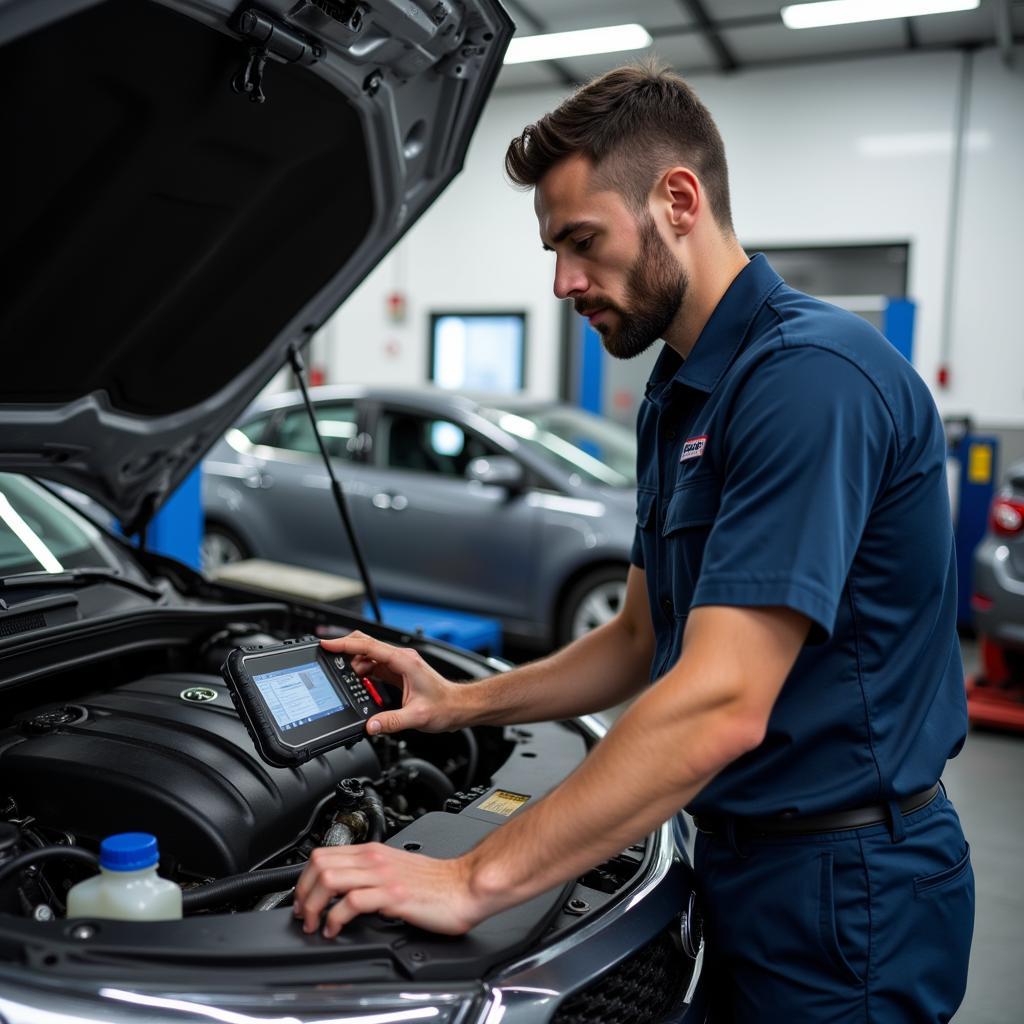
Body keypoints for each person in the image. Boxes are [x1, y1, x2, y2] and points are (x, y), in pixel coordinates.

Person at [294, 63, 974, 1021]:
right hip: (734, 861)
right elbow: (636, 640)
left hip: (848, 891)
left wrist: (474, 880)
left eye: (582, 240)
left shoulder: (810, 380)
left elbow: (721, 701)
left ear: (679, 200)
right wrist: (460, 703)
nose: (565, 280)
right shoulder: (679, 390)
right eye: (554, 249)